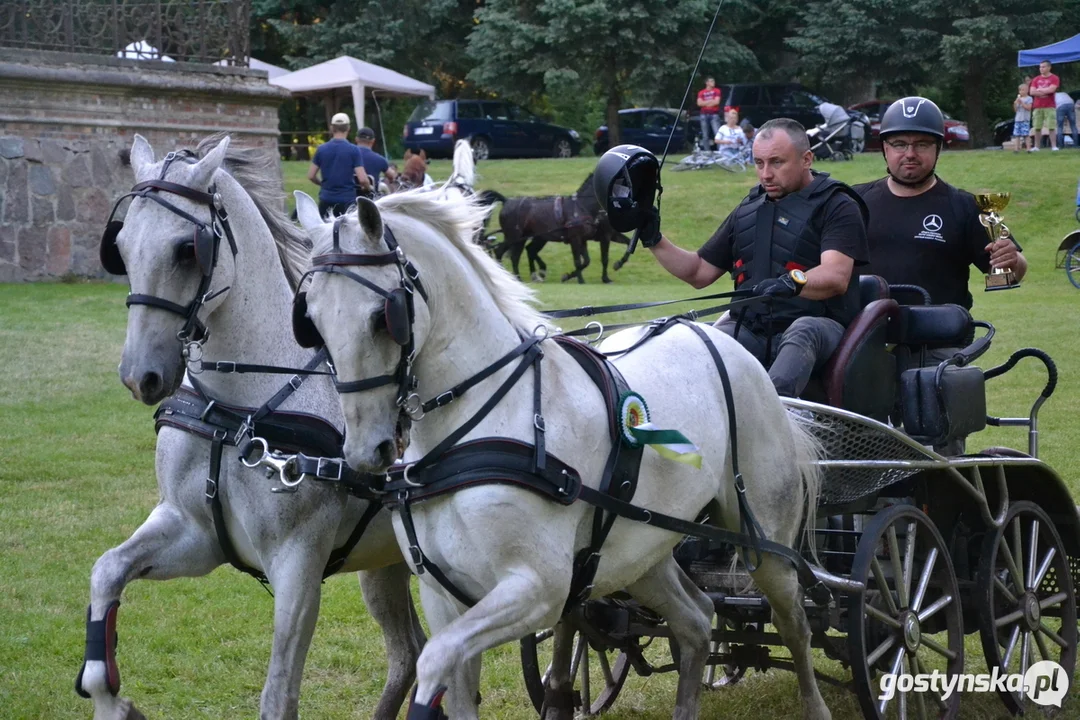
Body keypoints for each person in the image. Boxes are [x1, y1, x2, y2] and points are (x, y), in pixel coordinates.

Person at [639, 119, 869, 398]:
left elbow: (836, 276)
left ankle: (777, 418)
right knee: (702, 342)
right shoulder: (749, 209)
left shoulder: (838, 205)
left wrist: (791, 283)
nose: (766, 174)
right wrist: (654, 239)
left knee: (802, 330)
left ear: (806, 159)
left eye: (776, 162)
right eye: (759, 163)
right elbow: (699, 272)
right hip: (753, 328)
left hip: (821, 328)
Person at [853, 96, 1028, 312]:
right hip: (862, 334)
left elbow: (1009, 275)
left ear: (938, 148)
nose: (910, 154)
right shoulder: (853, 202)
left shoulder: (966, 207)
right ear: (884, 149)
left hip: (939, 337)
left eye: (922, 144)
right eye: (899, 144)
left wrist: (1012, 262)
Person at [308, 112, 370, 216]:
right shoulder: (353, 150)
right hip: (347, 200)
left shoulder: (321, 149)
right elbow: (363, 179)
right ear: (348, 128)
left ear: (332, 128)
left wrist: (322, 184)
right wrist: (367, 188)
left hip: (326, 198)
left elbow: (311, 175)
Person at [354, 126, 397, 194]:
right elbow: (391, 176)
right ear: (373, 141)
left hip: (349, 197)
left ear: (356, 139)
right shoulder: (379, 159)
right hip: (371, 199)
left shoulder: (347, 156)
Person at [1028, 60, 1060, 152]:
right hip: (1037, 106)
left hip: (1049, 106)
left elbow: (1052, 90)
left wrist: (1039, 90)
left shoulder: (1054, 78)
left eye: (1043, 67)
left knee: (1051, 126)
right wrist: (1045, 91)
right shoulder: (1036, 79)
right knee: (1037, 127)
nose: (1041, 69)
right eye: (1040, 67)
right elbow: (1032, 92)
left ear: (1049, 67)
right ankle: (1036, 147)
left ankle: (1054, 146)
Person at [696, 77, 722, 150]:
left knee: (717, 134)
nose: (713, 82)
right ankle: (707, 152)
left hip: (714, 114)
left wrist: (704, 103)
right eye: (711, 81)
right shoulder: (701, 92)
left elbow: (717, 102)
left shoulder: (717, 91)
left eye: (713, 81)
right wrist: (711, 101)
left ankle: (720, 151)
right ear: (707, 83)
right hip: (703, 115)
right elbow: (699, 103)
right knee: (705, 135)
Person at [1012, 83, 1033, 152]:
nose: (1022, 91)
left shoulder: (1029, 98)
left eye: (1023, 90)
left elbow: (1029, 108)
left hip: (1025, 119)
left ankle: (1028, 149)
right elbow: (1016, 110)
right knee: (1017, 135)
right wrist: (1015, 104)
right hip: (1018, 119)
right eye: (1020, 90)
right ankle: (1016, 149)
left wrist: (1022, 103)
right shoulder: (1018, 99)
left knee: (1026, 134)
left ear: (1027, 90)